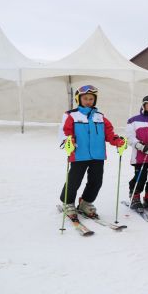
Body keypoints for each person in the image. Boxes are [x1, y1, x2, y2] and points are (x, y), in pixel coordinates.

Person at [58, 85, 126, 217]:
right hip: (79, 154)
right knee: (74, 180)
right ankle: (68, 202)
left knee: (96, 181)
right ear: (79, 99)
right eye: (85, 98)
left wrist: (117, 141)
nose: (88, 101)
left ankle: (86, 202)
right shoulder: (71, 115)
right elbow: (64, 133)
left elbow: (109, 133)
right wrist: (68, 141)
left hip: (98, 155)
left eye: (91, 99)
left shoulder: (100, 117)